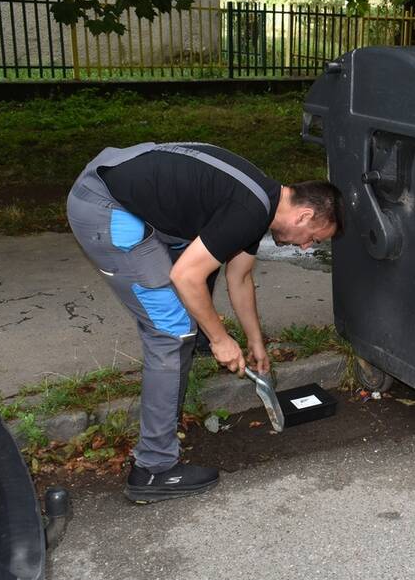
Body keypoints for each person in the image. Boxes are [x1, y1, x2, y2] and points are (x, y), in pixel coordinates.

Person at [66, 142, 341, 504]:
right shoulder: (250, 210)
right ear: (304, 216)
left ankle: (188, 355)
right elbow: (186, 276)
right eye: (314, 239)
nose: (306, 248)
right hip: (106, 207)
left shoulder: (264, 202)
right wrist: (220, 339)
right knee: (170, 331)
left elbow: (239, 278)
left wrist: (255, 341)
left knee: (185, 297)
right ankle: (153, 469)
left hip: (119, 186)